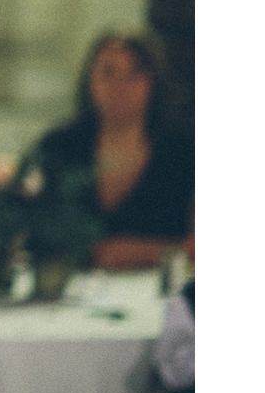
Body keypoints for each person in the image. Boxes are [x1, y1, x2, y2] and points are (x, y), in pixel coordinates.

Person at [32, 30, 193, 271]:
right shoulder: (60, 147)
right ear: (89, 81)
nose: (121, 85)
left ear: (154, 81)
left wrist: (140, 252)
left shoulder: (182, 153)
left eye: (135, 73)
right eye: (108, 72)